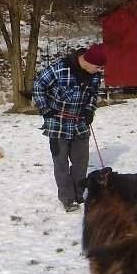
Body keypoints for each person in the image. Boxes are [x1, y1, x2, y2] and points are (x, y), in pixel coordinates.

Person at [32, 43, 105, 212]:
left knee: (81, 161)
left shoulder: (95, 75)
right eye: (98, 67)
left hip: (80, 122)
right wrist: (46, 109)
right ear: (88, 61)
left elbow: (94, 94)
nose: (100, 71)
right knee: (61, 163)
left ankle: (79, 194)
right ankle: (67, 198)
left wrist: (89, 110)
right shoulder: (60, 68)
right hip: (57, 122)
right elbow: (38, 85)